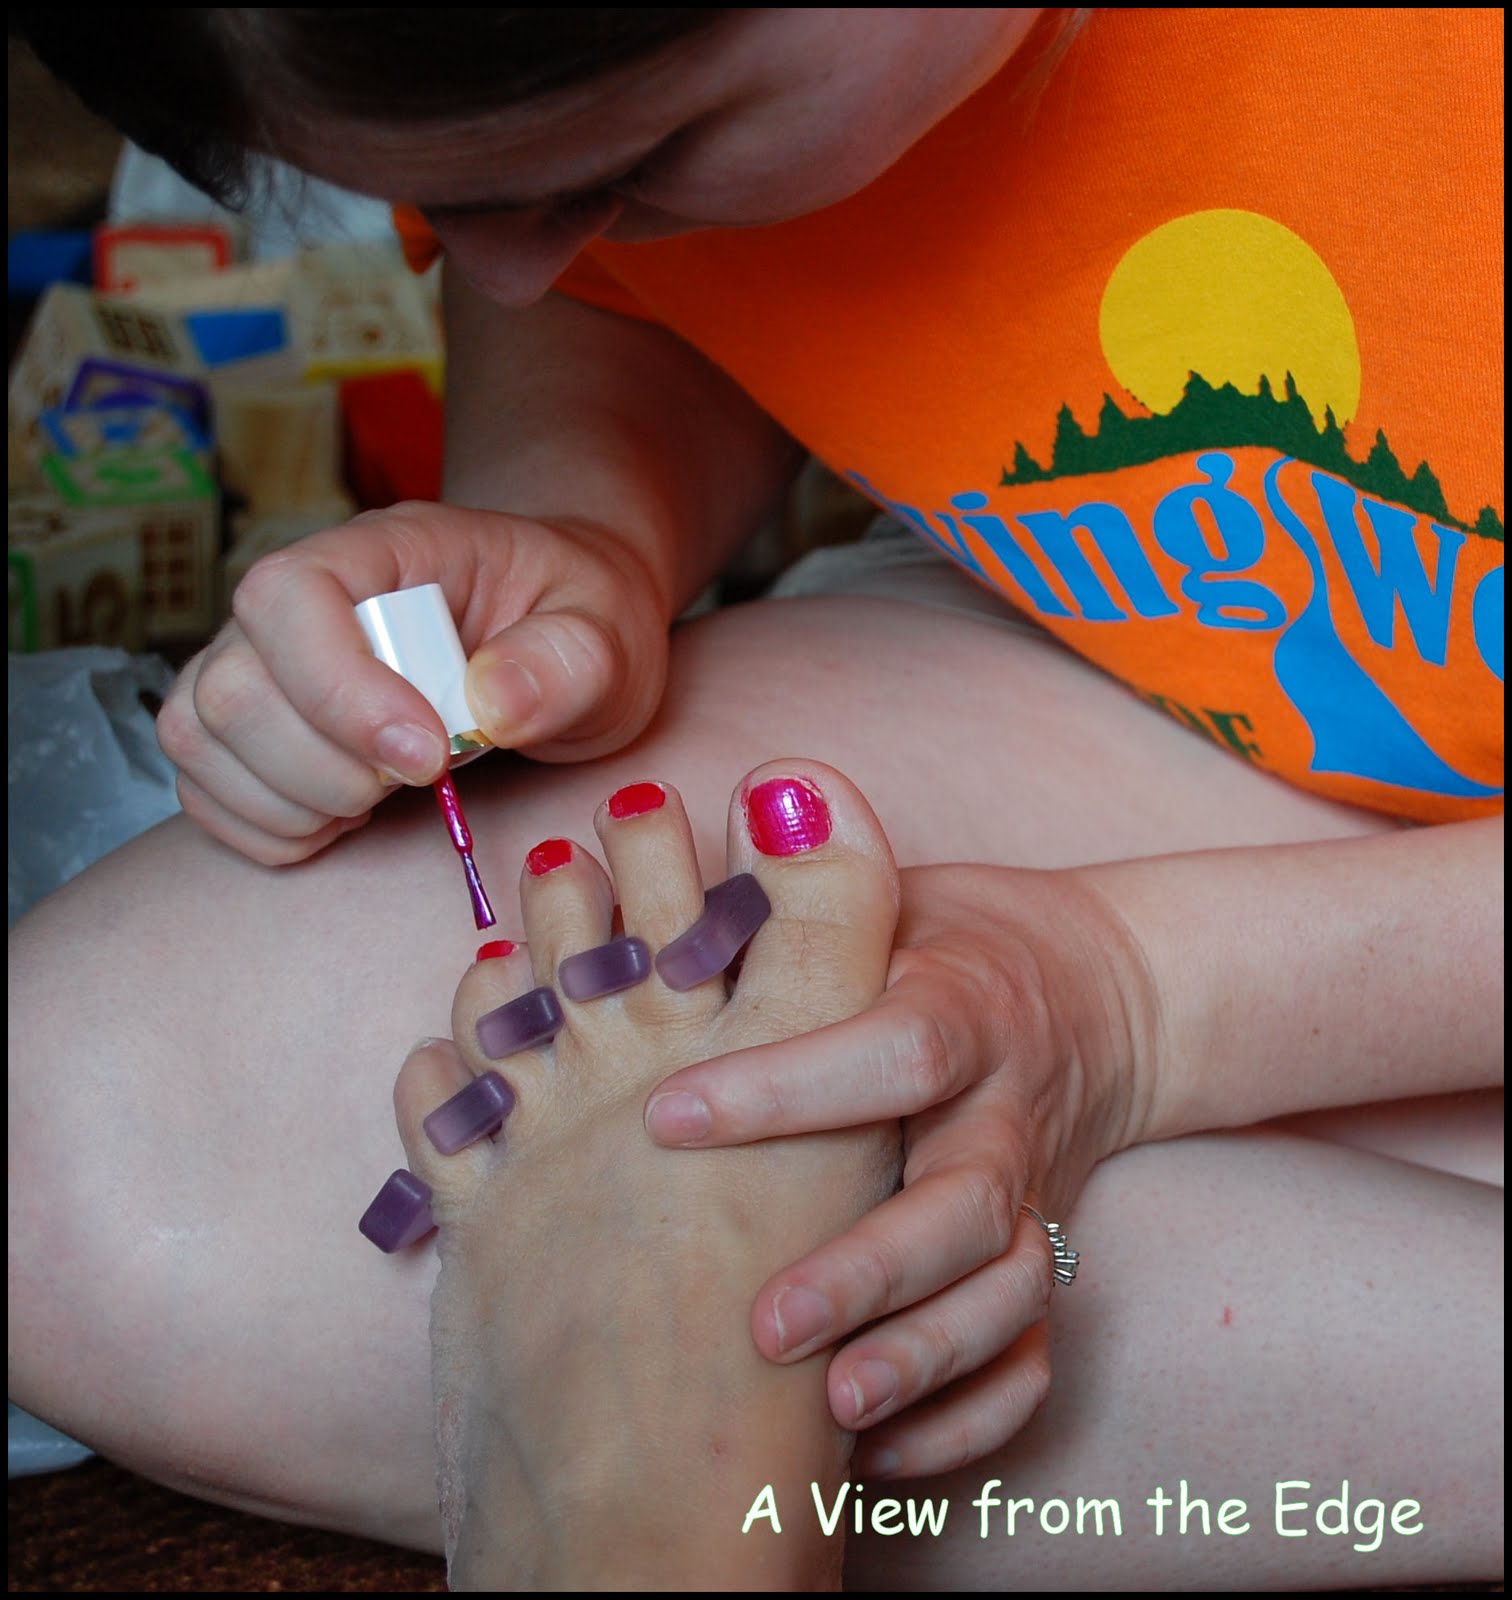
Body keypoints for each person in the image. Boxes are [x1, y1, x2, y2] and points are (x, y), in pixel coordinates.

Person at [8, 7, 1503, 1590]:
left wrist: (1145, 1001)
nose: (499, 268)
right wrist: (586, 522)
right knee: (87, 1147)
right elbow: (640, 289)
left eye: (631, 161)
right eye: (460, 203)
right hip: (1176, 692)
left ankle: (655, 1524)